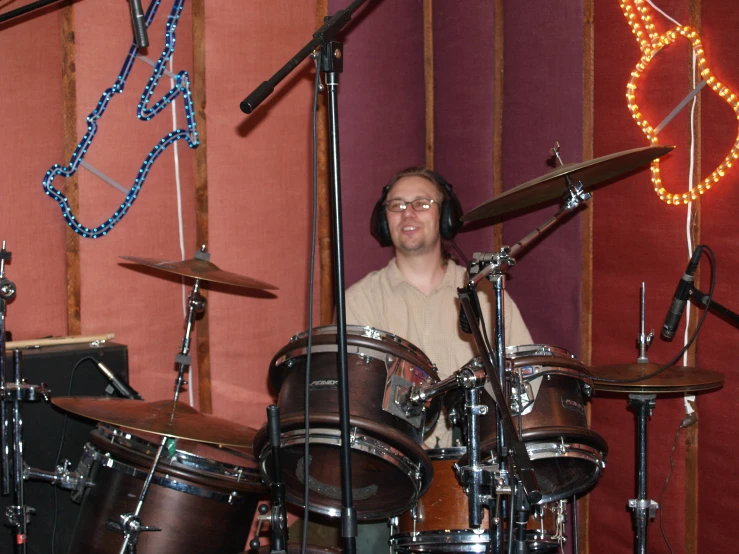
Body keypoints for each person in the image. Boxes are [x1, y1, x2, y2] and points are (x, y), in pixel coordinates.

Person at [345, 166, 533, 449]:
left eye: (421, 204)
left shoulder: (485, 295)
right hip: (396, 468)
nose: (408, 213)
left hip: (477, 464)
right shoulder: (359, 301)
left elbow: (527, 379)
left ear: (445, 218)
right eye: (396, 205)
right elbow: (354, 402)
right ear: (384, 221)